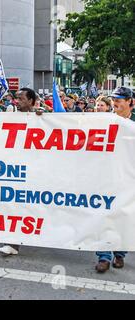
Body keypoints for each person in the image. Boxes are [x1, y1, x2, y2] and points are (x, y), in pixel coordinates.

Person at [0, 88, 42, 256]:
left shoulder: (41, 117)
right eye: (16, 98)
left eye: (21, 98)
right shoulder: (10, 116)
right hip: (14, 170)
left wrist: (43, 117)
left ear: (31, 101)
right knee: (14, 207)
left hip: (34, 170)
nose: (17, 101)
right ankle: (13, 243)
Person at [95, 87, 134, 273]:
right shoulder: (105, 121)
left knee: (125, 216)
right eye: (114, 99)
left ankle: (120, 254)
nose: (116, 102)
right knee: (104, 216)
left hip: (129, 178)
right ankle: (104, 256)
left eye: (120, 99)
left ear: (130, 102)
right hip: (106, 176)